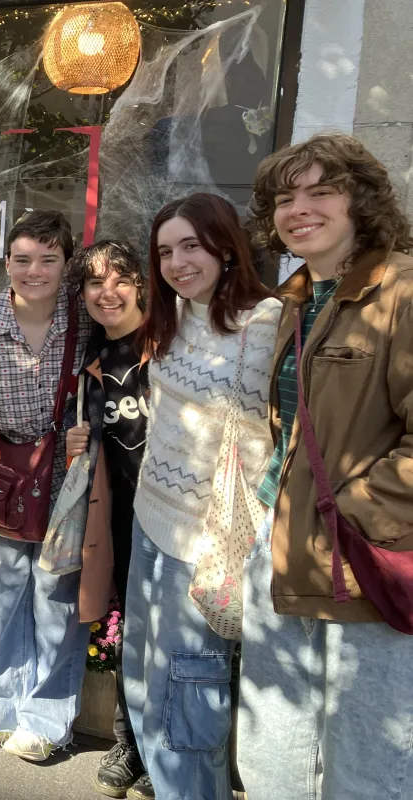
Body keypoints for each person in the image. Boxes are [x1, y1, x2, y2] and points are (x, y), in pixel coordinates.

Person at [238, 133, 413, 799]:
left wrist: (360, 511)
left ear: (360, 202)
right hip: (284, 554)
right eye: (285, 198)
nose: (299, 208)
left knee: (365, 772)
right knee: (275, 761)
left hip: (364, 564)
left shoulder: (401, 293)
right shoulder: (296, 299)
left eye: (321, 191)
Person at [123, 193, 280, 799]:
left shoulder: (265, 323)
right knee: (141, 673)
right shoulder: (176, 314)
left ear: (225, 245)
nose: (177, 262)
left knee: (189, 689)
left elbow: (274, 438)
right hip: (149, 516)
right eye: (165, 250)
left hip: (209, 535)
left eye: (191, 245)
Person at [0, 210, 93, 763]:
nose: (35, 271)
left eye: (49, 260)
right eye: (24, 259)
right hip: (2, 473)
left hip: (68, 475)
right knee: (2, 584)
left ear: (66, 264)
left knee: (56, 592)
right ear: (6, 262)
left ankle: (48, 718)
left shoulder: (86, 323)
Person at [63, 241, 151, 798]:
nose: (107, 292)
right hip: (120, 517)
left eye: (119, 278)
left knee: (177, 636)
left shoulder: (168, 345)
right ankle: (131, 743)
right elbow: (99, 445)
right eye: (95, 284)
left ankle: (167, 747)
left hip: (176, 515)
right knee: (130, 630)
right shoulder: (93, 362)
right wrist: (81, 441)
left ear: (141, 282)